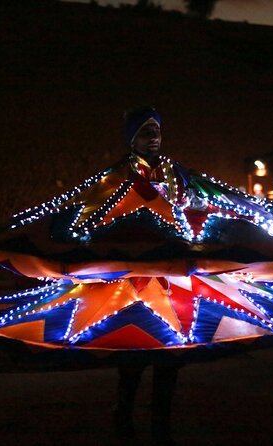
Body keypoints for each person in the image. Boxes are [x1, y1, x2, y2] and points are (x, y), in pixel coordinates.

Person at [113, 106, 180, 443]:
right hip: (134, 283)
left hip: (170, 281)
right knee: (134, 355)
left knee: (169, 356)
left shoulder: (174, 174)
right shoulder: (119, 177)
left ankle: (161, 427)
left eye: (157, 132)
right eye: (145, 133)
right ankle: (123, 420)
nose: (154, 139)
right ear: (132, 139)